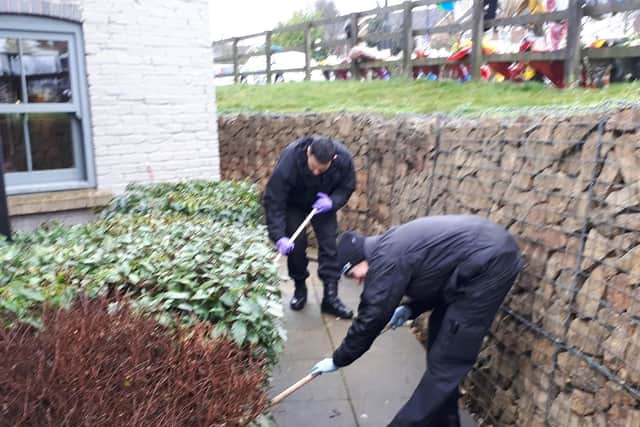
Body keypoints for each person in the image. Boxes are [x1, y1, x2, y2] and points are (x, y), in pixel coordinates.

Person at [311, 215, 524, 427]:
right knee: (440, 337)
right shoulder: (388, 248)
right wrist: (411, 307)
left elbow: (371, 317)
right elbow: (437, 274)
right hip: (478, 257)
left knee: (448, 361)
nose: (357, 280)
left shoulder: (387, 259)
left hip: (491, 262)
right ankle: (446, 422)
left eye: (351, 274)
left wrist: (340, 358)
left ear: (358, 260)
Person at [264, 135, 356, 319]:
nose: (315, 172)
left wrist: (333, 201)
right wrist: (279, 235)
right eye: (313, 167)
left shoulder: (343, 159)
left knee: (329, 243)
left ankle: (331, 297)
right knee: (296, 245)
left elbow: (347, 187)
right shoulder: (289, 159)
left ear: (333, 160)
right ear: (308, 152)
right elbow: (275, 199)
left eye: (321, 169)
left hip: (323, 202)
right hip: (294, 204)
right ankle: (300, 288)